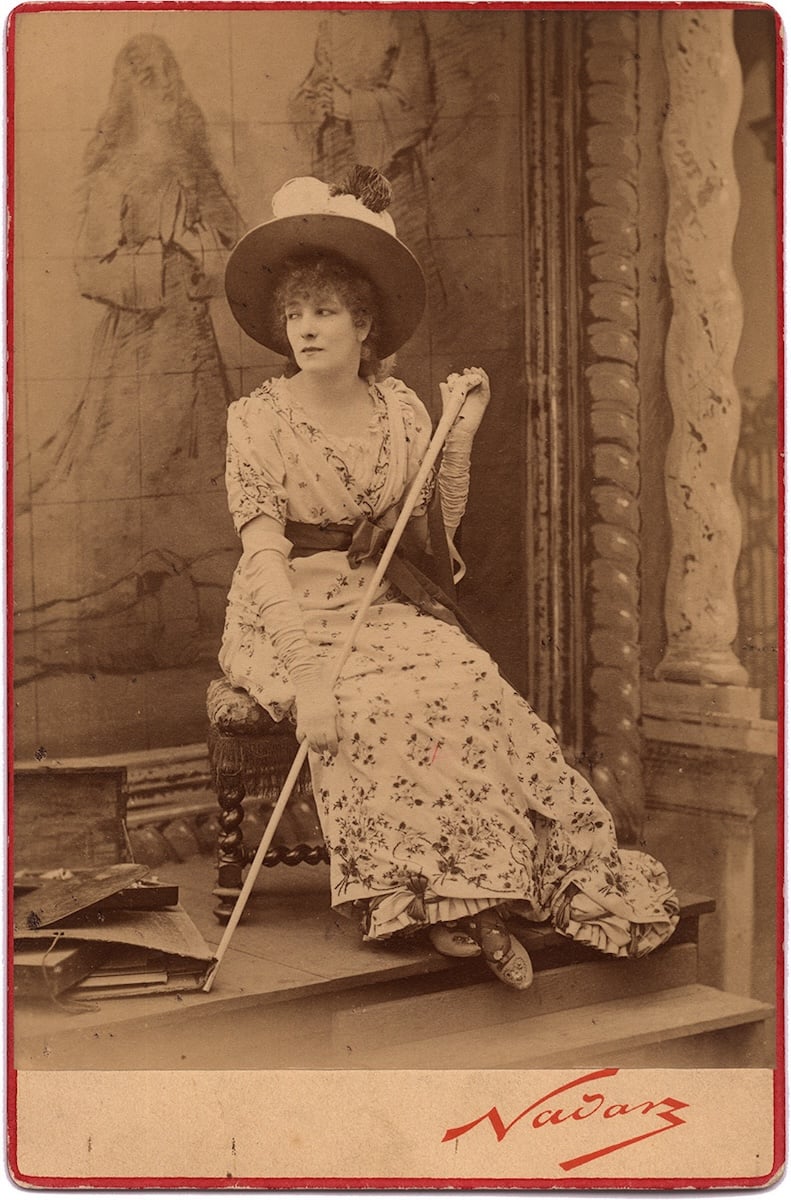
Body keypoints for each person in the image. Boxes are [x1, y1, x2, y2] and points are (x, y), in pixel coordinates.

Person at [219, 165, 679, 990]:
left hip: (381, 605)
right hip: (285, 614)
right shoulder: (256, 420)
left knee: (467, 682)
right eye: (295, 314)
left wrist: (456, 436)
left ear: (364, 324)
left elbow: (429, 533)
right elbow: (261, 557)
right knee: (366, 709)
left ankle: (492, 891)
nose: (306, 329)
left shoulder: (400, 410)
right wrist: (308, 679)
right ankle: (438, 905)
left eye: (325, 312)